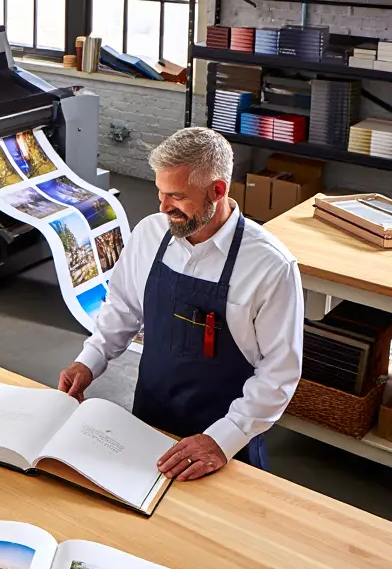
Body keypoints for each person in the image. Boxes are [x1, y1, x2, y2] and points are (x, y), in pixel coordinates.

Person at [58, 127, 303, 479]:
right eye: (160, 193)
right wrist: (88, 362)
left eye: (176, 196)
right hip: (147, 425)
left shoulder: (270, 266)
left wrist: (222, 439)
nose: (162, 207)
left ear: (218, 191)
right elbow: (123, 308)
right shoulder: (149, 233)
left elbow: (279, 372)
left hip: (225, 445)